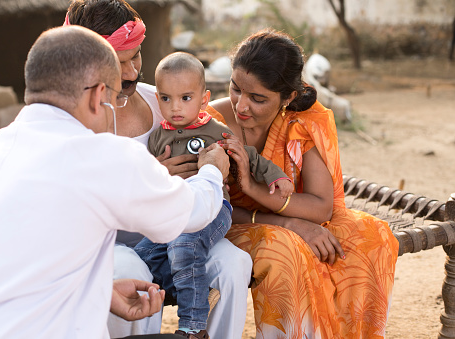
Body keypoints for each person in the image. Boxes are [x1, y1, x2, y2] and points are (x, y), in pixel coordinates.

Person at [0, 25, 230, 338]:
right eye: (115, 99)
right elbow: (194, 212)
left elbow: (13, 262)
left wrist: (100, 292)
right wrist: (212, 169)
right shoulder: (100, 155)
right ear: (98, 96)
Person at [64, 1, 253, 338]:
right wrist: (150, 180)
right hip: (109, 247)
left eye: (135, 56)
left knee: (234, 264)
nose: (132, 72)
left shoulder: (163, 102)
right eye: (119, 63)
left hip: (179, 234)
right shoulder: (73, 122)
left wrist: (216, 170)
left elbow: (212, 138)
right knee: (131, 271)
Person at [209, 29, 400, 338]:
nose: (241, 106)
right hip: (227, 224)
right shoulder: (209, 123)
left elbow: (322, 206)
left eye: (257, 98)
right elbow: (208, 208)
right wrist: (293, 225)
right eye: (235, 89)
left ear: (289, 98)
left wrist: (257, 190)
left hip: (284, 216)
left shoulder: (303, 122)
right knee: (287, 249)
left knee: (372, 236)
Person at [133, 52, 293, 339]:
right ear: (158, 101)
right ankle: (181, 285)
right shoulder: (158, 137)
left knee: (185, 245)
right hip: (173, 212)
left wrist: (275, 176)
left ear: (204, 99)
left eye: (185, 98)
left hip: (214, 210)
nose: (175, 107)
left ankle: (193, 326)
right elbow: (145, 180)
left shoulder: (215, 131)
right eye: (166, 99)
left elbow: (250, 156)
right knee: (141, 254)